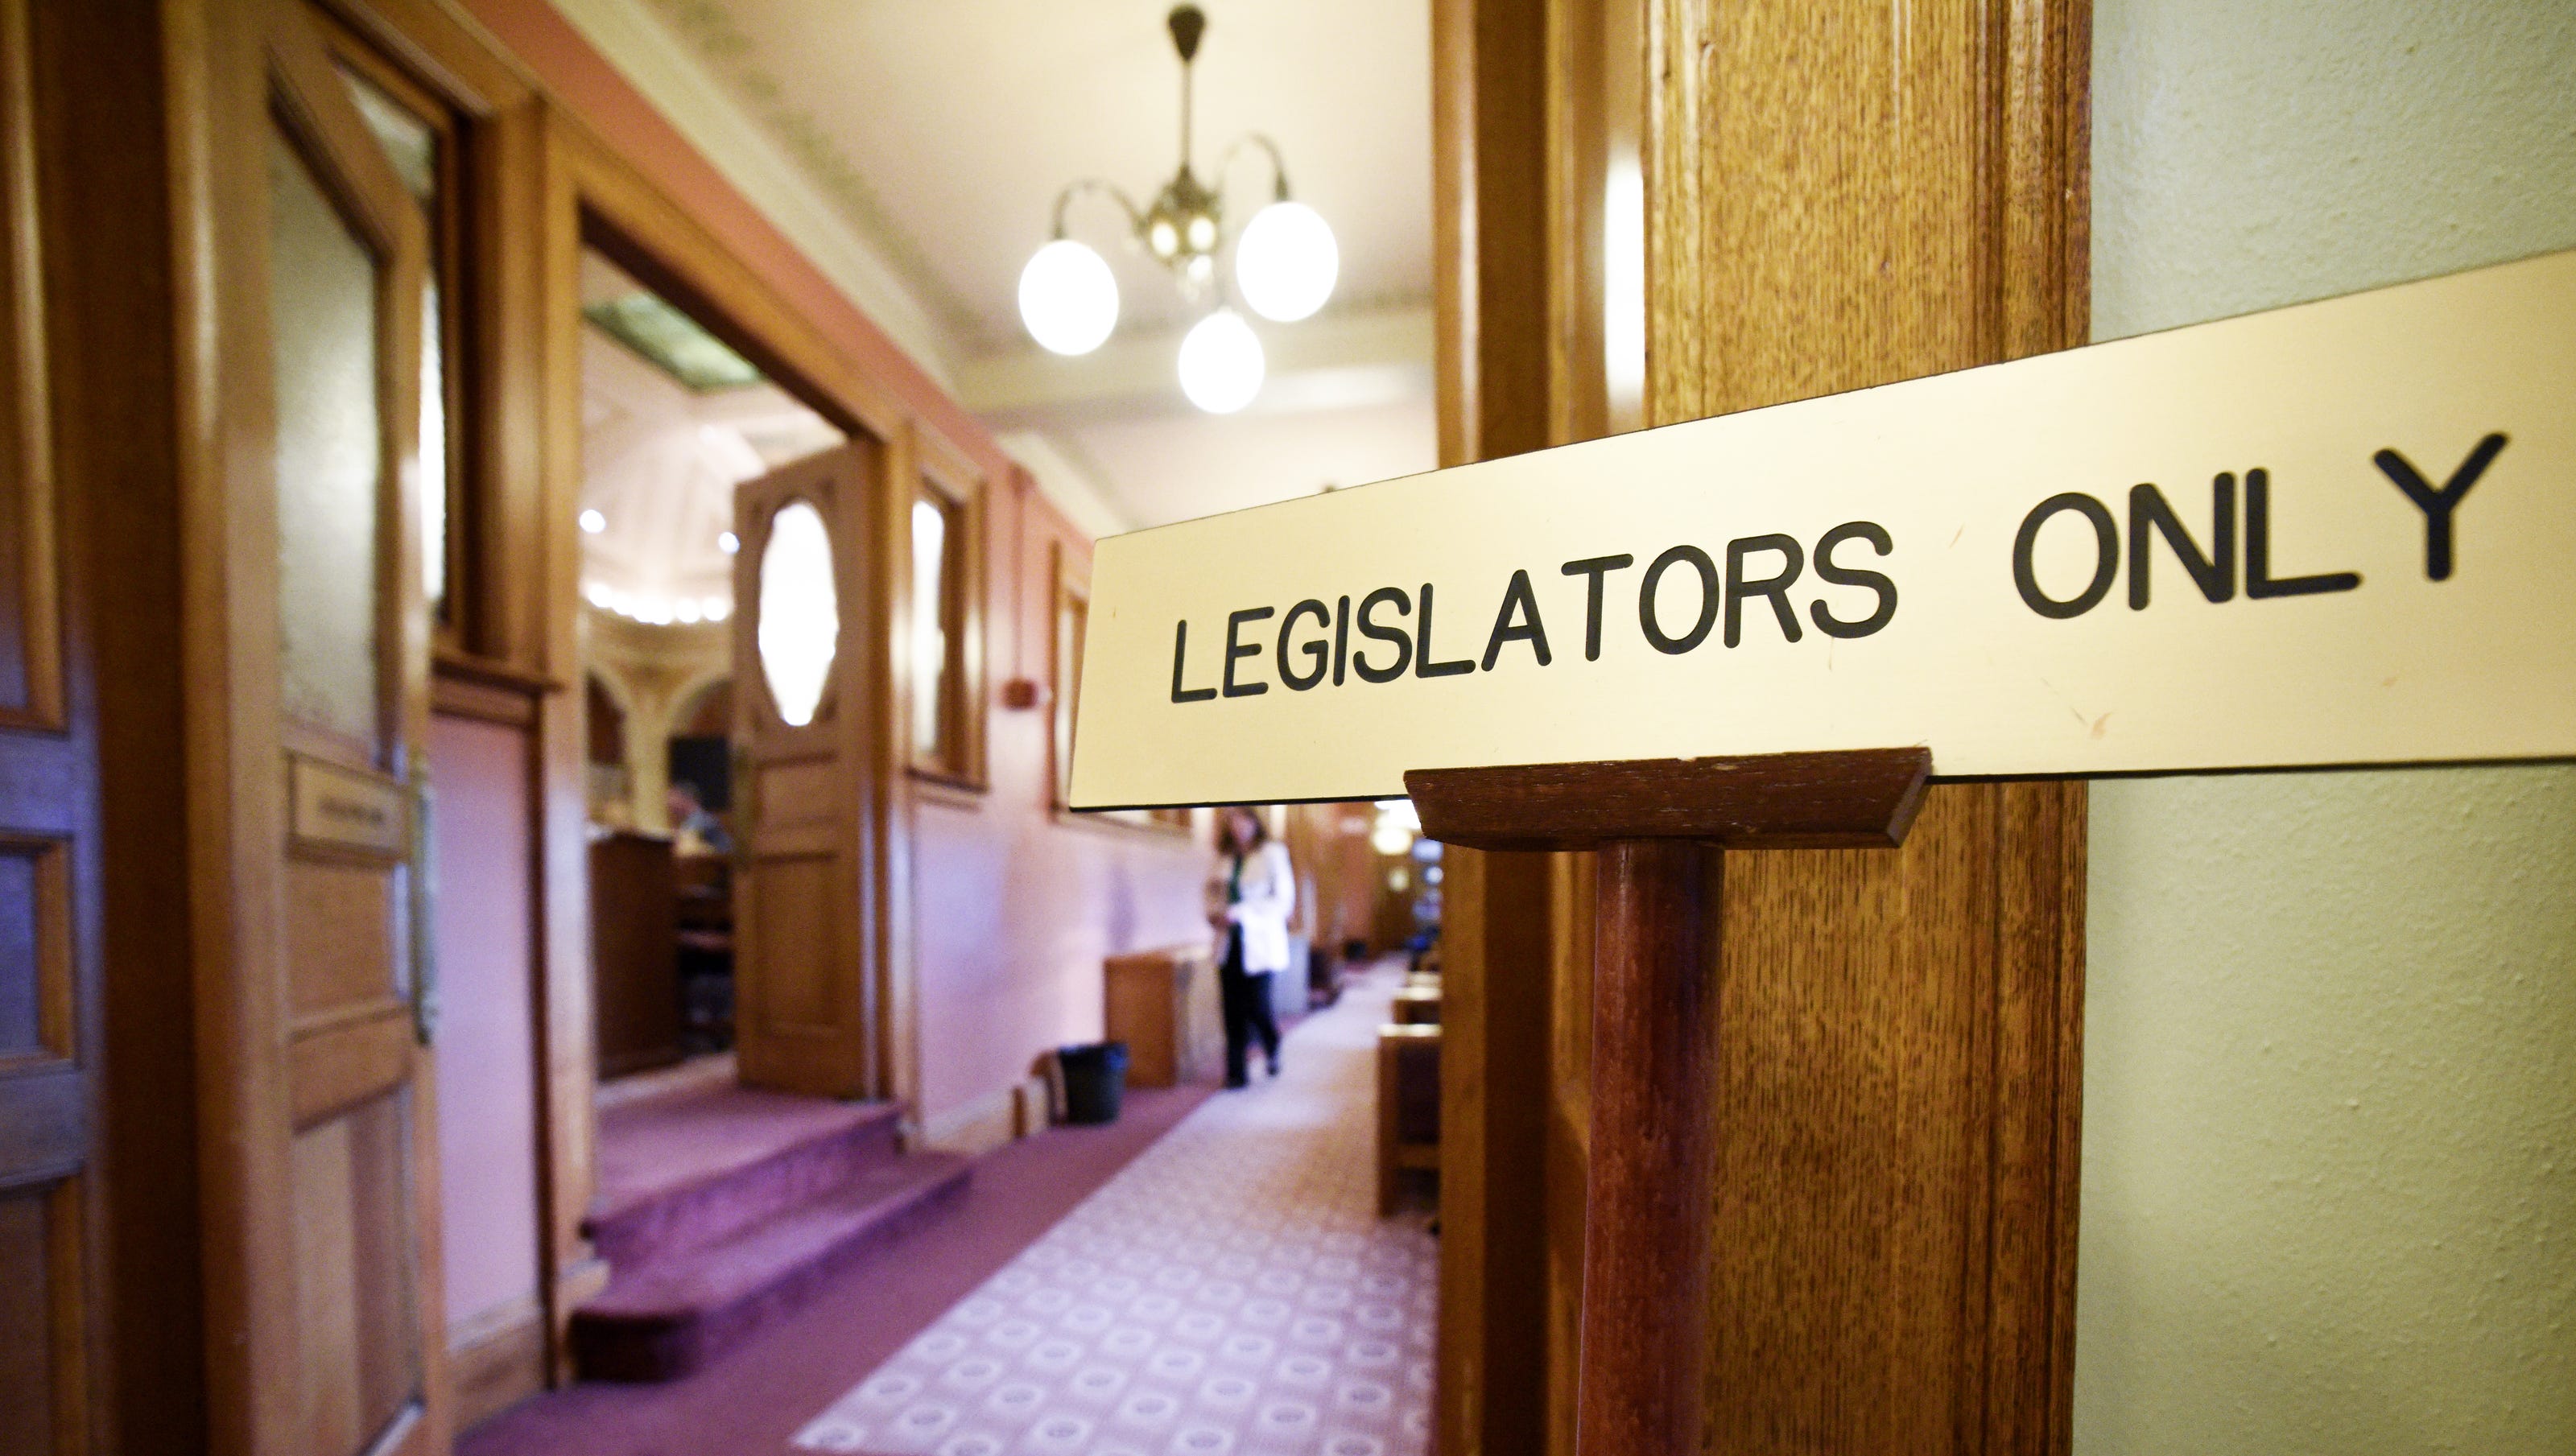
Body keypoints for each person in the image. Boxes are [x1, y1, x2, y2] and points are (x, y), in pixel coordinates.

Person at [1209, 806, 1293, 1089]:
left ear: (1255, 822)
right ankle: (1236, 1072)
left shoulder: (1272, 854)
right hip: (1229, 943)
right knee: (1231, 1009)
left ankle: (1271, 1045)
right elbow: (1211, 894)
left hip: (1259, 943)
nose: (1237, 826)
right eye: (1231, 820)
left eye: (1242, 819)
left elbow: (1282, 902)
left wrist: (1243, 912)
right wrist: (1213, 914)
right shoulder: (1224, 857)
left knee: (1258, 1006)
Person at [666, 779, 733, 856]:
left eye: (673, 798)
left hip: (723, 864)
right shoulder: (692, 819)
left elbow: (686, 848)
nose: (669, 804)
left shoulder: (701, 819)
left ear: (685, 798)